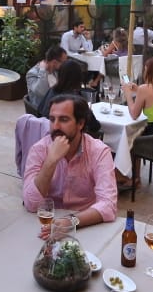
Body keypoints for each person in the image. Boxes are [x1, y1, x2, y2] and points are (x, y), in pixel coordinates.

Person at [22, 95, 117, 229]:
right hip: (45, 224)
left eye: (63, 120)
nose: (55, 126)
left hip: (84, 223)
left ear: (80, 124)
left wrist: (70, 222)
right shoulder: (39, 149)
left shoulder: (99, 152)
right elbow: (31, 204)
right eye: (52, 119)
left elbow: (108, 205)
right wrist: (50, 161)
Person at [37, 58, 102, 134]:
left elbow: (39, 111)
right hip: (65, 137)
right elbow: (95, 127)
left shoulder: (52, 90)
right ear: (79, 78)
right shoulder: (76, 99)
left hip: (44, 132)